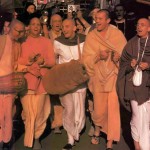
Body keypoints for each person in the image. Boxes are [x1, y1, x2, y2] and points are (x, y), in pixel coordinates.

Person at [82, 9, 127, 149]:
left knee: (113, 108)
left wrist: (116, 57)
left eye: (101, 18)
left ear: (108, 20)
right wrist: (97, 56)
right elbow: (85, 59)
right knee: (99, 109)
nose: (97, 21)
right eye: (96, 18)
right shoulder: (91, 36)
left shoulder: (117, 34)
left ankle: (109, 139)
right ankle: (98, 128)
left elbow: (125, 55)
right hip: (97, 77)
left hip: (113, 76)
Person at [18, 17, 55, 149]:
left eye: (38, 24)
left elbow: (52, 62)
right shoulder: (21, 41)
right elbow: (16, 61)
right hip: (26, 82)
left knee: (40, 112)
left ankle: (36, 137)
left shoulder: (46, 41)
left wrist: (43, 61)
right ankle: (30, 139)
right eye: (33, 24)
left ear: (41, 27)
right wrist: (29, 61)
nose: (36, 27)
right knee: (28, 112)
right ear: (28, 26)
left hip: (42, 82)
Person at [117, 18, 150, 150]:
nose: (139, 27)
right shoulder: (131, 44)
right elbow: (122, 64)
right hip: (134, 88)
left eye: (143, 25)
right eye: (138, 24)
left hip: (148, 87)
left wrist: (148, 65)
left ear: (149, 28)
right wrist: (130, 66)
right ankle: (138, 146)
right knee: (137, 118)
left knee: (146, 120)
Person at [54, 19, 87, 150]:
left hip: (79, 81)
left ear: (75, 28)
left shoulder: (84, 39)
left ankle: (76, 130)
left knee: (79, 111)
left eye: (67, 26)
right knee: (68, 109)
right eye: (63, 27)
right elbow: (54, 60)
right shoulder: (57, 42)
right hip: (65, 82)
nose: (64, 29)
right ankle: (70, 139)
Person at [0, 19, 25, 150]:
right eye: (17, 30)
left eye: (21, 32)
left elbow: (16, 65)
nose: (19, 34)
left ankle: (7, 141)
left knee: (8, 115)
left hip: (9, 86)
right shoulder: (2, 40)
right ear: (11, 28)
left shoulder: (17, 45)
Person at [43, 13, 63, 134]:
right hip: (48, 70)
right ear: (51, 23)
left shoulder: (65, 34)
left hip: (61, 71)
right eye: (55, 21)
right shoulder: (46, 35)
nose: (57, 23)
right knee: (48, 98)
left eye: (59, 21)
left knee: (58, 98)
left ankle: (57, 123)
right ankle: (48, 121)